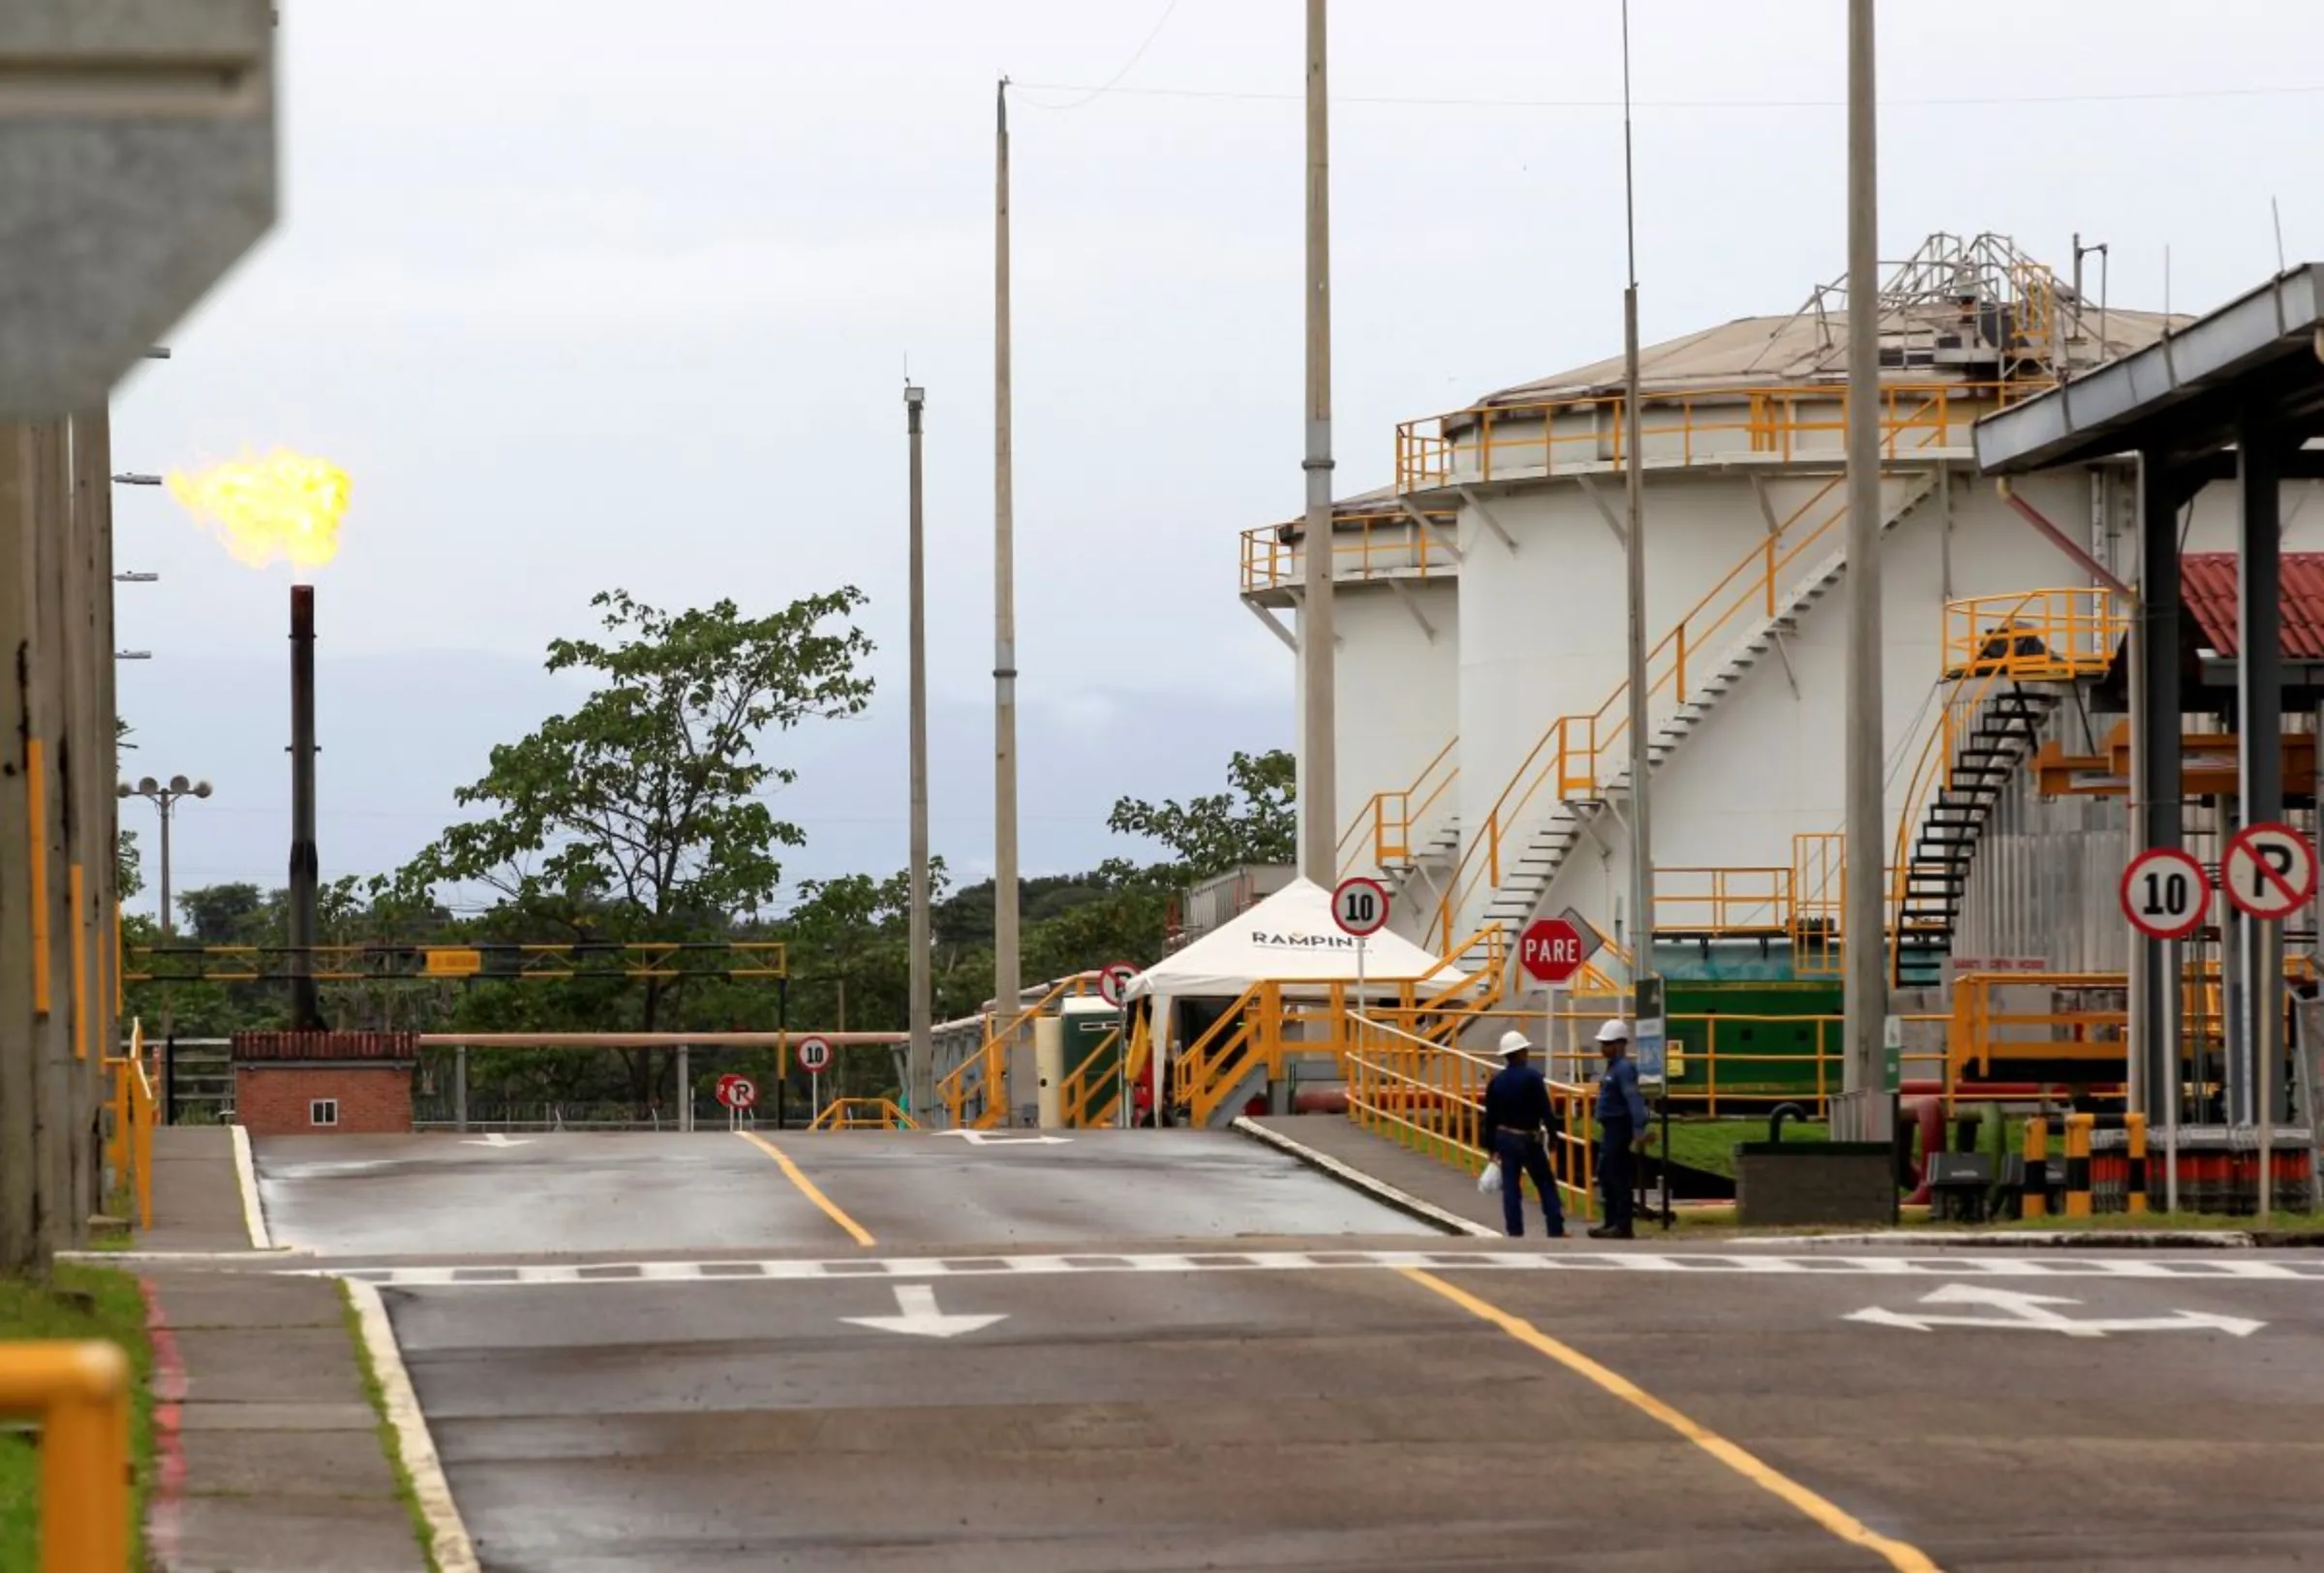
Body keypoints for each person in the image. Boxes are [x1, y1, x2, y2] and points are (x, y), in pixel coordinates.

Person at [1481, 1030, 1565, 1239]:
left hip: (1505, 1140)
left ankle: (1515, 1231)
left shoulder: (1496, 1082)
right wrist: (1554, 1137)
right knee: (1545, 1183)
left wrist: (1491, 1148)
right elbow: (1546, 1111)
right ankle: (1555, 1228)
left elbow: (1490, 1118)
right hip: (1529, 1139)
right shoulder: (1533, 1078)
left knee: (1511, 1188)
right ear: (1520, 1053)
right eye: (1525, 1050)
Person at [1590, 1018, 1651, 1240]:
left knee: (1617, 1176)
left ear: (1618, 1044)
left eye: (1606, 1043)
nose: (1602, 1048)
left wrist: (1638, 1127)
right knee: (1607, 1175)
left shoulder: (1623, 1070)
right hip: (1610, 1128)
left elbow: (1633, 1099)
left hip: (1619, 1128)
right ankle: (1611, 1222)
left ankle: (1622, 1225)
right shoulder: (1613, 1068)